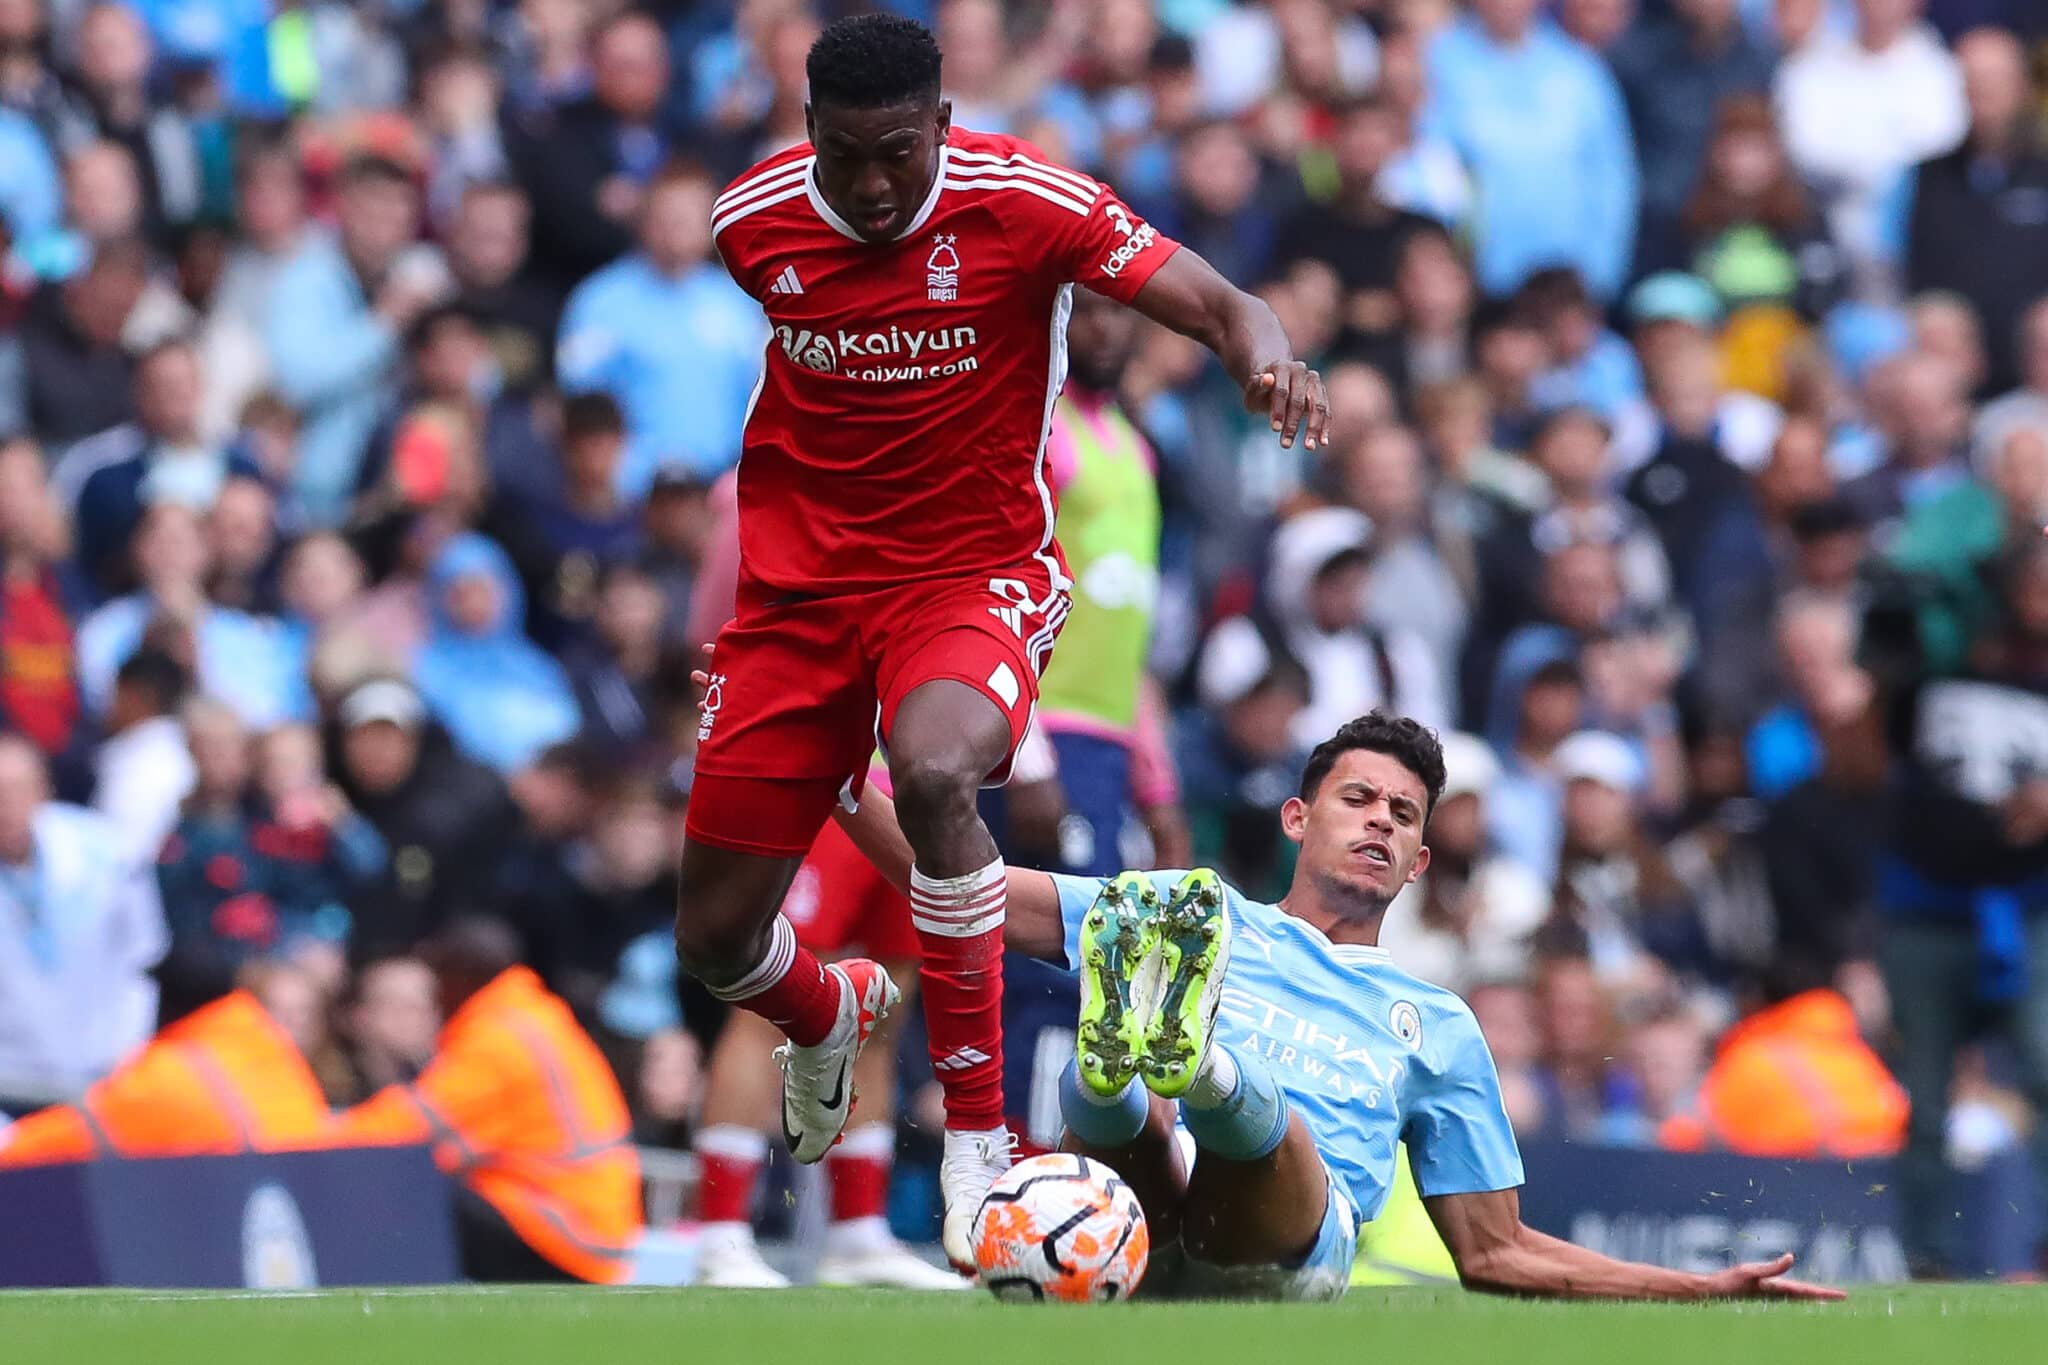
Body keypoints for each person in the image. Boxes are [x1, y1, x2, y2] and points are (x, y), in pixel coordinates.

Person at [676, 13, 1328, 1268]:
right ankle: (830, 1008)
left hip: (967, 577)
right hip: (796, 603)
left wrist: (1267, 359)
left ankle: (978, 1146)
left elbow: (1216, 297)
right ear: (808, 132)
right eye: (849, 153)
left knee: (933, 773)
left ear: (942, 127)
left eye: (900, 153)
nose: (874, 183)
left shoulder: (1025, 202)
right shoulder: (748, 223)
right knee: (714, 941)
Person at [829, 711, 1840, 1301]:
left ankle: (1180, 1073)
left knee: (1263, 1133)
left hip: (1285, 1241)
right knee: (1129, 1082)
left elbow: (1493, 1251)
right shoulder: (1195, 914)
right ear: (1297, 817)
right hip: (1137, 1223)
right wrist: (832, 781)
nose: (1379, 823)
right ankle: (1124, 1077)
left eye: (1402, 816)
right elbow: (975, 895)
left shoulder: (1435, 1021)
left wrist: (1692, 1288)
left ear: (1417, 862)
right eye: (1357, 800)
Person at [334, 916, 642, 1283]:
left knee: (411, 1191)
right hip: (591, 1227)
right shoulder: (530, 1017)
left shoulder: (499, 1040)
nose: (433, 1003)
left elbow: (410, 1127)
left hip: (566, 1233)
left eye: (437, 983)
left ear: (460, 977)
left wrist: (315, 1139)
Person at [555, 160, 765, 494]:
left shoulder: (738, 302)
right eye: (666, 217)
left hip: (723, 492)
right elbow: (582, 403)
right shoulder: (600, 302)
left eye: (687, 218)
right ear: (645, 220)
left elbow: (763, 400)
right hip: (632, 494)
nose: (675, 228)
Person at [0, 733, 166, 1114]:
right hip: (8, 1084)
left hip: (102, 1074)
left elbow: (142, 955)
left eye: (17, 789)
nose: (6, 804)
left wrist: (126, 1051)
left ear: (44, 789)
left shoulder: (105, 852)